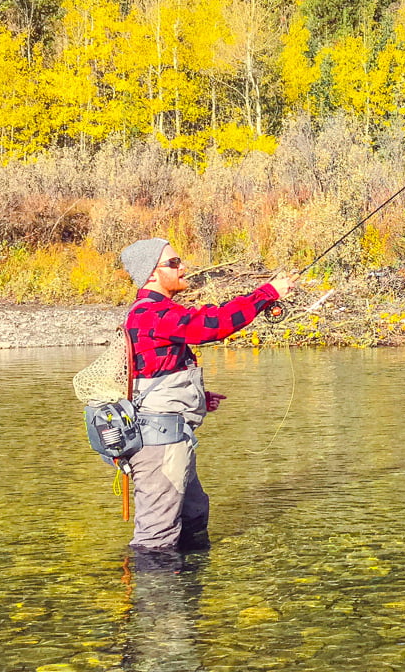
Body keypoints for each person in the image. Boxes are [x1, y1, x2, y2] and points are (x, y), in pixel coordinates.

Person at [118, 237, 296, 552]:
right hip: (159, 444)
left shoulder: (157, 313)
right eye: (173, 263)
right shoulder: (150, 314)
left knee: (194, 516)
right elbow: (211, 325)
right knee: (155, 541)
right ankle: (154, 597)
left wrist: (200, 397)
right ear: (151, 274)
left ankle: (189, 589)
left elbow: (157, 371)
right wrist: (266, 294)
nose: (183, 267)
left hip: (172, 437)